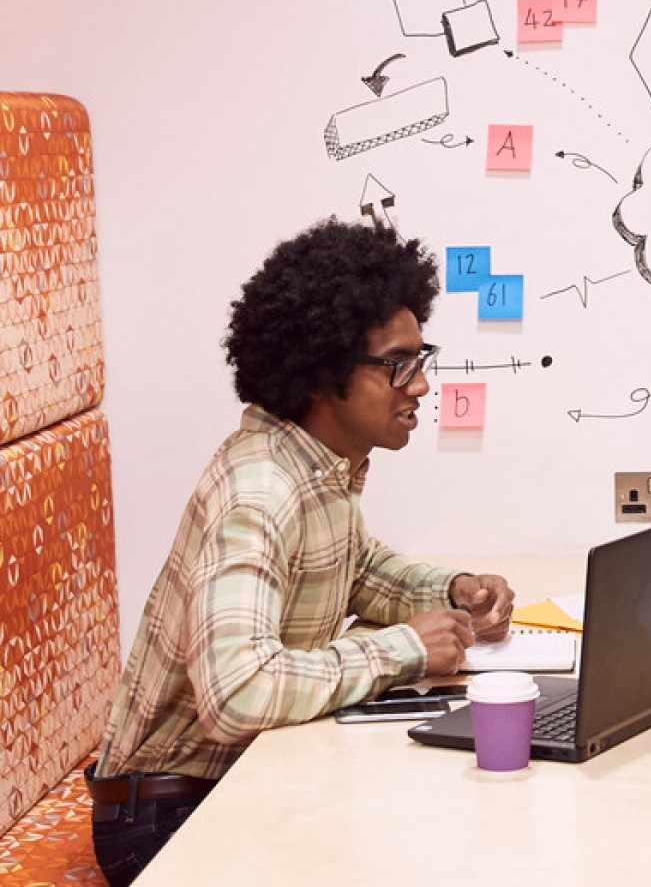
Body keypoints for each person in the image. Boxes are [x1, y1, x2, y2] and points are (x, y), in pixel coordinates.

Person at [88, 218, 515, 886]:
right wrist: (405, 648)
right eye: (398, 365)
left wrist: (454, 591)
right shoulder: (258, 492)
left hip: (236, 782)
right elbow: (237, 692)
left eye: (421, 359)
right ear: (321, 373)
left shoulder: (317, 467)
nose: (420, 387)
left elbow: (356, 568)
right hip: (165, 818)